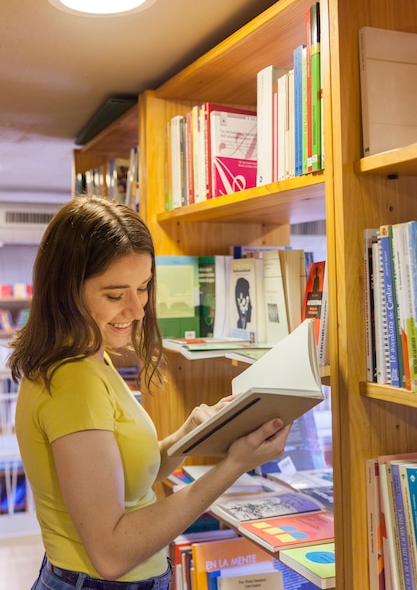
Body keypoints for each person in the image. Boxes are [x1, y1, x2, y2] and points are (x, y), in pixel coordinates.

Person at [9, 195, 291, 589]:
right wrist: (233, 466)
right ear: (65, 290)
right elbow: (111, 554)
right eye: (114, 295)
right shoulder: (74, 381)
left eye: (143, 287)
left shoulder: (88, 357)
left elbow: (126, 479)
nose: (138, 309)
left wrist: (189, 436)